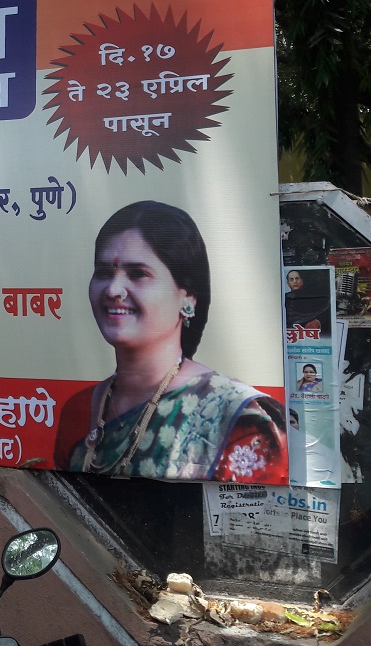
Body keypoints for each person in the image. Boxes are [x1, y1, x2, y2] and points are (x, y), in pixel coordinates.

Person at [63, 200, 287, 481]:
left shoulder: (237, 418)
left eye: (138, 274)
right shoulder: (80, 409)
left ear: (188, 297)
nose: (113, 290)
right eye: (104, 272)